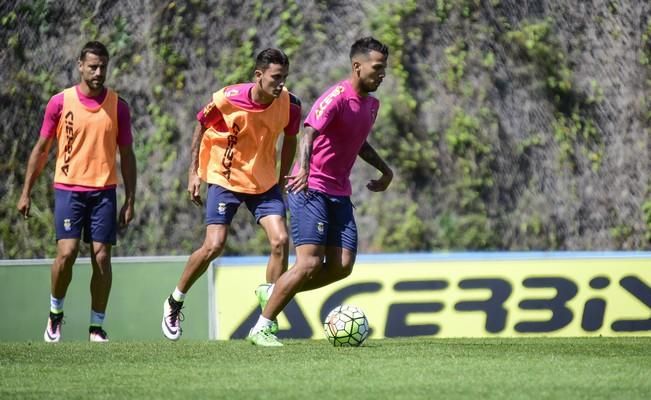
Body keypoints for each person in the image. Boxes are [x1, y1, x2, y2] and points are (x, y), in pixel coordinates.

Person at [247, 37, 394, 346]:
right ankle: (261, 326)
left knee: (342, 266)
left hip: (339, 192)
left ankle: (274, 291)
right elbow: (309, 130)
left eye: (384, 69)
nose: (382, 74)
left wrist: (385, 169)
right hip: (311, 188)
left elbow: (359, 143)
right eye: (377, 68)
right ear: (357, 66)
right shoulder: (337, 96)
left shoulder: (372, 105)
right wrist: (303, 169)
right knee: (309, 263)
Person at [161, 48, 301, 341]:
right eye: (276, 77)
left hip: (262, 181)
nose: (281, 84)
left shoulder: (290, 104)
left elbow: (290, 139)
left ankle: (266, 316)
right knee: (214, 245)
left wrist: (283, 177)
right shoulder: (228, 99)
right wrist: (193, 171)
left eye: (285, 78)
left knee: (281, 240)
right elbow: (201, 126)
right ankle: (175, 300)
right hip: (224, 177)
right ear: (258, 76)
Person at [17, 41, 137, 343]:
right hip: (69, 189)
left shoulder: (118, 106)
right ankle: (55, 314)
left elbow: (128, 154)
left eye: (103, 67)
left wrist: (130, 199)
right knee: (67, 253)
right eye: (93, 66)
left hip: (104, 192)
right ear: (80, 65)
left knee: (102, 258)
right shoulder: (60, 103)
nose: (98, 72)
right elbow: (42, 149)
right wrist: (26, 191)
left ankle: (96, 327)